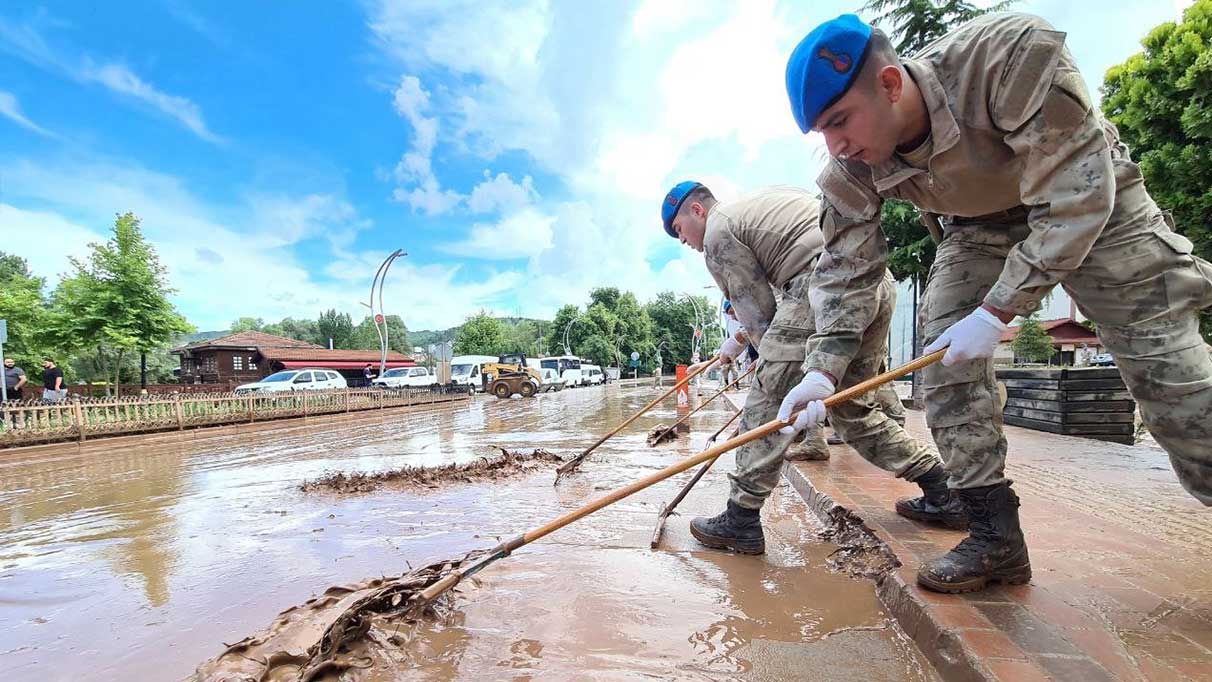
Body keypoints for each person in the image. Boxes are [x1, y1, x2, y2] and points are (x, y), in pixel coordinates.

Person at [783, 13, 1212, 593]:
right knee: (945, 362)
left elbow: (1077, 198)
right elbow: (844, 270)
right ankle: (994, 537)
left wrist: (998, 311)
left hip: (1091, 199)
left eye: (839, 120)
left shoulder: (1007, 58)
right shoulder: (850, 166)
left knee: (1171, 381)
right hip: (977, 226)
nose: (836, 145)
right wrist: (820, 370)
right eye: (822, 133)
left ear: (889, 84)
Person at [662, 181, 961, 555]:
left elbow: (759, 315)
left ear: (697, 211)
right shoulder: (756, 204)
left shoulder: (719, 233)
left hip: (821, 283)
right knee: (853, 409)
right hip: (875, 282)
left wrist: (768, 366)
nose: (684, 242)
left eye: (679, 231)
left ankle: (740, 518)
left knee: (766, 406)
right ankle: (941, 486)